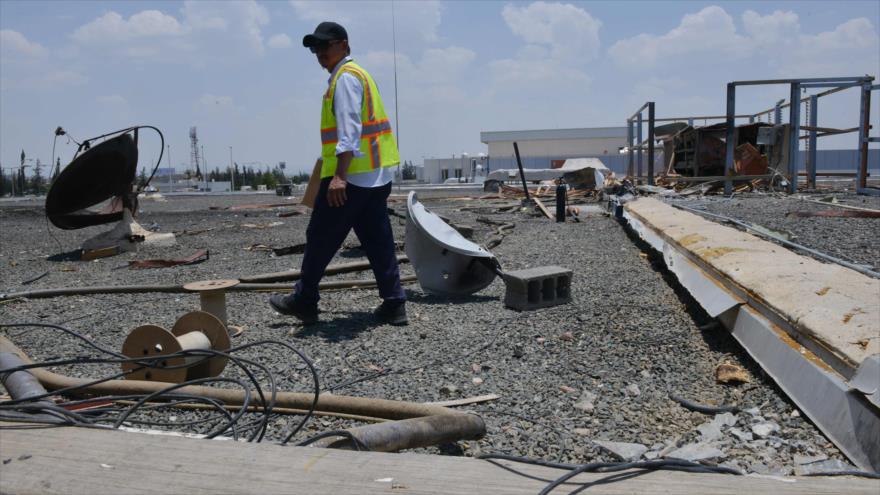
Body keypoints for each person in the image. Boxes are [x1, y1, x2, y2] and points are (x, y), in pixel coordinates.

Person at [269, 21, 407, 326]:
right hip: (376, 176)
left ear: (344, 45)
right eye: (315, 48)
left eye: (325, 46)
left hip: (352, 180)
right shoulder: (361, 74)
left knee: (320, 237)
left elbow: (349, 131)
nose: (320, 53)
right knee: (377, 240)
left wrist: (339, 177)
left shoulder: (345, 79)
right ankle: (395, 303)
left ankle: (305, 300)